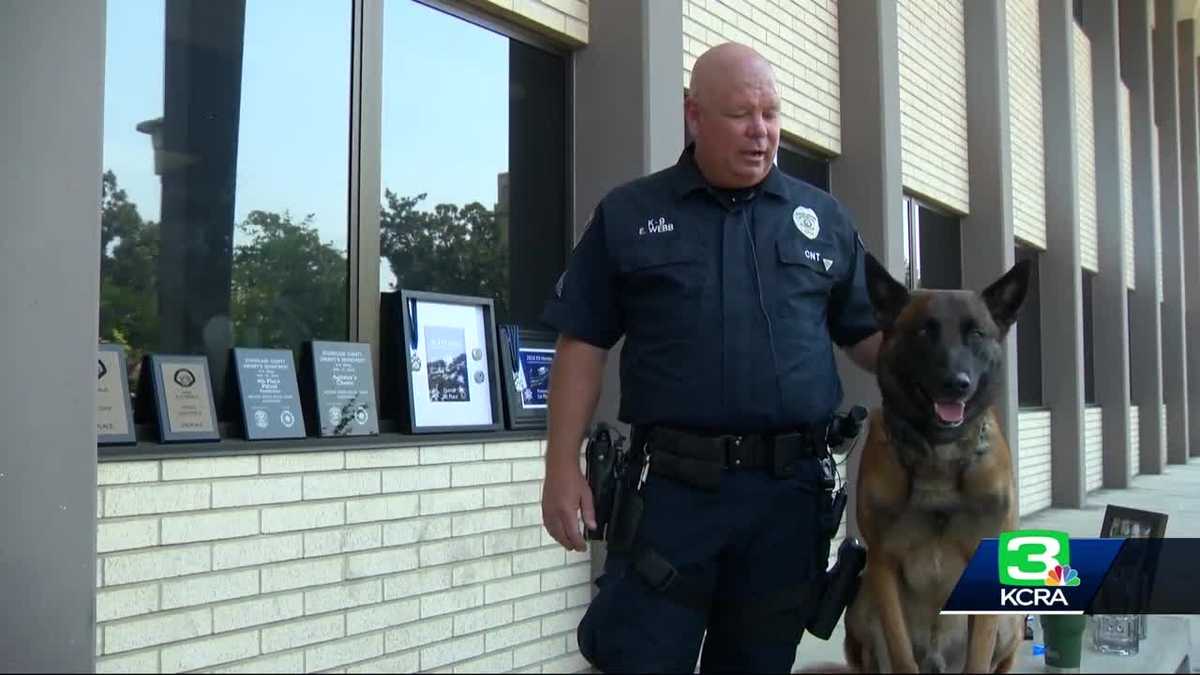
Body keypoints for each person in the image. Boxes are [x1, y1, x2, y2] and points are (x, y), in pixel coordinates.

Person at [538, 42, 882, 673]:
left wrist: (946, 366)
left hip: (788, 499)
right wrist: (561, 465)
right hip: (671, 498)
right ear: (694, 116)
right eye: (741, 115)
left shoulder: (823, 220)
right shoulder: (631, 214)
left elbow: (870, 336)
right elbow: (582, 341)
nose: (762, 132)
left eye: (772, 115)